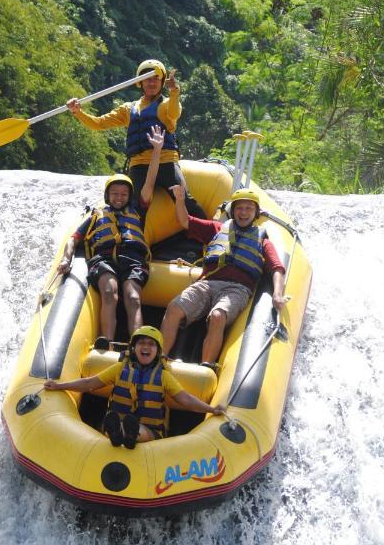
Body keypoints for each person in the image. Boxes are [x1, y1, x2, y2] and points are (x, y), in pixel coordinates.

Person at [57, 126, 165, 349]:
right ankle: (106, 340)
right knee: (109, 292)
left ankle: (138, 344)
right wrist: (66, 259)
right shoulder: (97, 215)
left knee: (133, 297)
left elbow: (150, 183)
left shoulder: (138, 210)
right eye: (115, 194)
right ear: (108, 195)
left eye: (123, 194)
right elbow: (73, 239)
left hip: (133, 260)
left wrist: (157, 151)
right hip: (104, 259)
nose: (119, 198)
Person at [161, 186, 288, 369]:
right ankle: (160, 358)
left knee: (218, 316)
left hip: (236, 289)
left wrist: (277, 293)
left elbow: (277, 268)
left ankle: (206, 366)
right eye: (239, 208)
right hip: (208, 283)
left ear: (255, 213)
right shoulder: (217, 229)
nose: (243, 213)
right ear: (232, 211)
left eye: (248, 208)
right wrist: (180, 199)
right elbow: (185, 221)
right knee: (174, 307)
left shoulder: (262, 241)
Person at [66, 59, 205, 218]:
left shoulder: (167, 104)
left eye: (155, 79)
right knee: (133, 208)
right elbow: (99, 123)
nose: (151, 83)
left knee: (185, 201)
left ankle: (212, 233)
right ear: (140, 82)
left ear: (162, 82)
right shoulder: (128, 109)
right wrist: (78, 112)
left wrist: (174, 92)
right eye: (147, 79)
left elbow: (174, 114)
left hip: (165, 162)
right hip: (138, 165)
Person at [44, 326, 223, 447]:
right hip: (117, 426)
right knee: (116, 425)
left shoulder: (163, 376)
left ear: (158, 351)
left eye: (151, 344)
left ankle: (127, 433)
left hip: (150, 434)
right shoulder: (120, 368)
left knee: (138, 430)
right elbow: (90, 383)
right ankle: (118, 432)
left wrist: (210, 409)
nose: (146, 347)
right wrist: (60, 386)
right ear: (134, 348)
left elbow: (185, 399)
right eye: (141, 343)